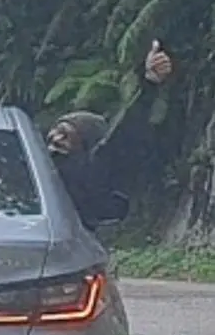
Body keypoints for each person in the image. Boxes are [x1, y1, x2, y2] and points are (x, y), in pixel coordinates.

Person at [45, 38, 174, 231]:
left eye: (65, 135)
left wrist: (149, 84)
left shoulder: (95, 170)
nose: (56, 139)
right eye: (55, 132)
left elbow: (127, 128)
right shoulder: (31, 165)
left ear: (86, 145)